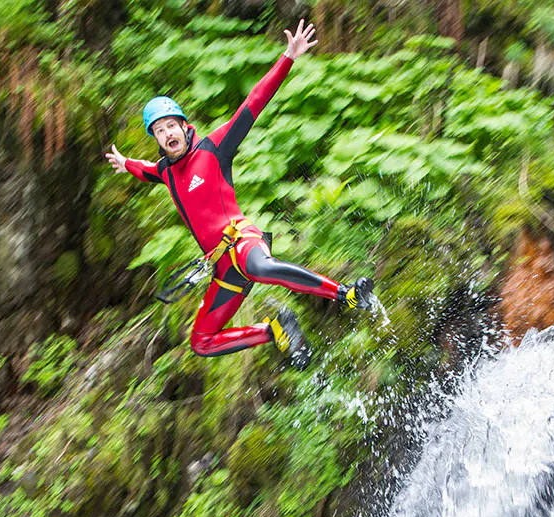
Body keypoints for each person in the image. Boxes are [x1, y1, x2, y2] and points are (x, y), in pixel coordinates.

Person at [105, 19, 375, 369]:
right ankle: (275, 329)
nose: (167, 132)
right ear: (156, 139)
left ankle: (347, 294)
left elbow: (253, 102)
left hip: (242, 242)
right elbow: (143, 170)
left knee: (260, 267)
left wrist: (288, 58)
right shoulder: (167, 172)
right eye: (159, 130)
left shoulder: (214, 148)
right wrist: (124, 161)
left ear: (185, 126)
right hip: (221, 267)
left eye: (171, 125)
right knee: (201, 342)